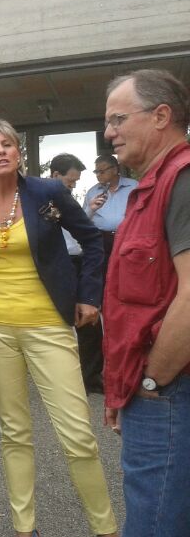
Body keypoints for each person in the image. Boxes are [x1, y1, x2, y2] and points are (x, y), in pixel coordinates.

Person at [0, 120, 118, 537]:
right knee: (14, 430)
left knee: (77, 434)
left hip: (49, 325)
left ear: (18, 153)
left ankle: (106, 528)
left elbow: (91, 240)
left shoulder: (47, 192)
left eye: (8, 144)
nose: (1, 151)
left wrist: (89, 296)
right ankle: (25, 528)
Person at [101, 69, 190, 537]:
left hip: (169, 390)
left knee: (154, 523)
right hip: (155, 388)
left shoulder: (182, 179)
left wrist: (152, 381)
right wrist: (122, 389)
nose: (108, 132)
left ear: (161, 116)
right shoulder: (152, 187)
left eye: (118, 119)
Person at [49, 153, 105, 393]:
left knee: (89, 320)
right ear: (55, 175)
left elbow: (80, 231)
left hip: (79, 261)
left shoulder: (67, 200)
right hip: (59, 266)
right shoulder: (42, 203)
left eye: (75, 182)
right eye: (70, 181)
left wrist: (89, 211)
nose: (73, 186)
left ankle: (90, 377)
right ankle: (62, 378)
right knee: (59, 323)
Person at [83, 154, 138, 265]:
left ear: (115, 170)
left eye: (101, 171)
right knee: (104, 271)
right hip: (102, 240)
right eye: (96, 172)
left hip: (129, 238)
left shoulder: (134, 187)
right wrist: (91, 208)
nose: (98, 175)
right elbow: (83, 219)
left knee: (128, 270)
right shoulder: (92, 192)